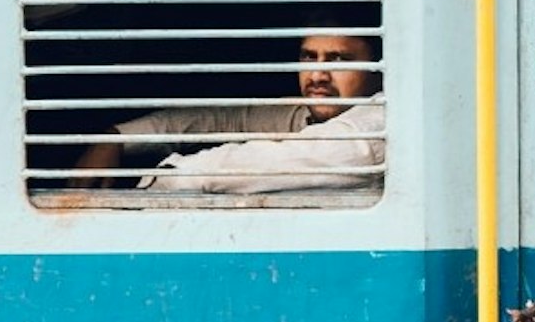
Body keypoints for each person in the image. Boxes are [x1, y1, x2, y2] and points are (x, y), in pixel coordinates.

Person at [117, 30, 387, 203]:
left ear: (377, 71)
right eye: (309, 57)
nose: (317, 75)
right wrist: (116, 139)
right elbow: (225, 120)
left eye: (338, 60)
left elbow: (236, 169)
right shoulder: (312, 113)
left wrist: (158, 183)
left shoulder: (373, 130)